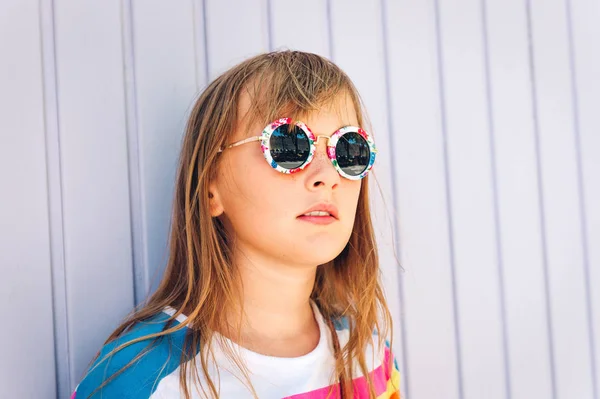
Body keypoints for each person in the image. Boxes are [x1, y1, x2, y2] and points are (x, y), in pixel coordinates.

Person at [71, 50, 401, 399]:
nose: (327, 177)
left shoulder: (367, 356)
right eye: (288, 144)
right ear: (211, 187)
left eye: (350, 150)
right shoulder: (140, 380)